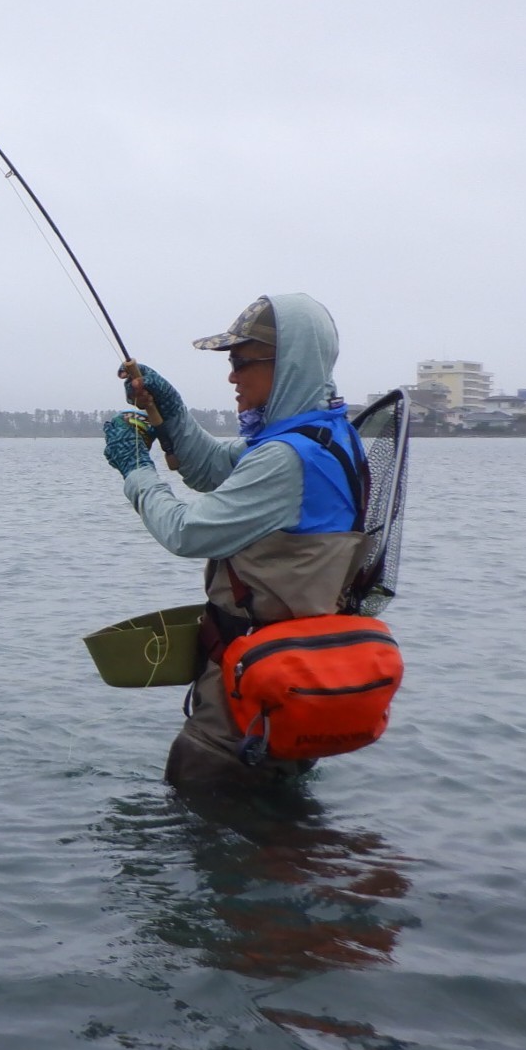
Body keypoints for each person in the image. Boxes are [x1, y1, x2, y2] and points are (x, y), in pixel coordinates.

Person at [101, 294, 367, 791]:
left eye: (242, 362)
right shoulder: (327, 436)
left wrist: (136, 468)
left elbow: (188, 532)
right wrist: (173, 412)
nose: (232, 377)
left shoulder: (287, 458)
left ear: (287, 364)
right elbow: (212, 470)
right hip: (290, 692)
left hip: (242, 708)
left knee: (204, 826)